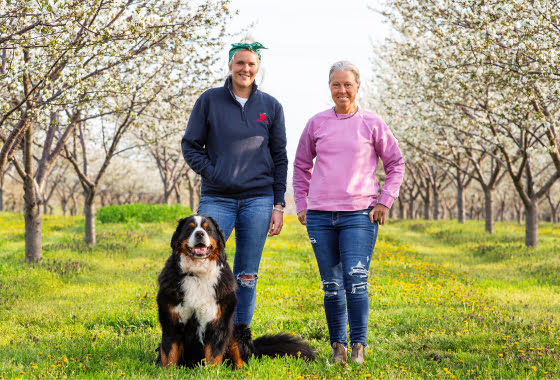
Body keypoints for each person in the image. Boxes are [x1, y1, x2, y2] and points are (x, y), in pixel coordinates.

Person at [293, 61, 404, 365]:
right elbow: (301, 165)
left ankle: (358, 346)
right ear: (329, 88)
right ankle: (337, 348)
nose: (342, 90)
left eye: (347, 84)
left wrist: (385, 201)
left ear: (357, 86)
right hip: (320, 216)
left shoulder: (372, 123)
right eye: (335, 85)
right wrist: (302, 204)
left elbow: (396, 163)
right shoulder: (316, 123)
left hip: (359, 214)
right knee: (331, 285)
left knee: (355, 280)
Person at [181, 42, 288, 326]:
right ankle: (197, 334)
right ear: (230, 65)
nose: (246, 69)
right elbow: (190, 145)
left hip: (259, 200)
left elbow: (280, 157)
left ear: (258, 68)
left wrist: (278, 204)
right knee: (202, 265)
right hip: (218, 199)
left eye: (251, 64)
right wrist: (215, 173)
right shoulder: (209, 100)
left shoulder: (271, 106)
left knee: (247, 274)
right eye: (240, 63)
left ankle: (238, 339)